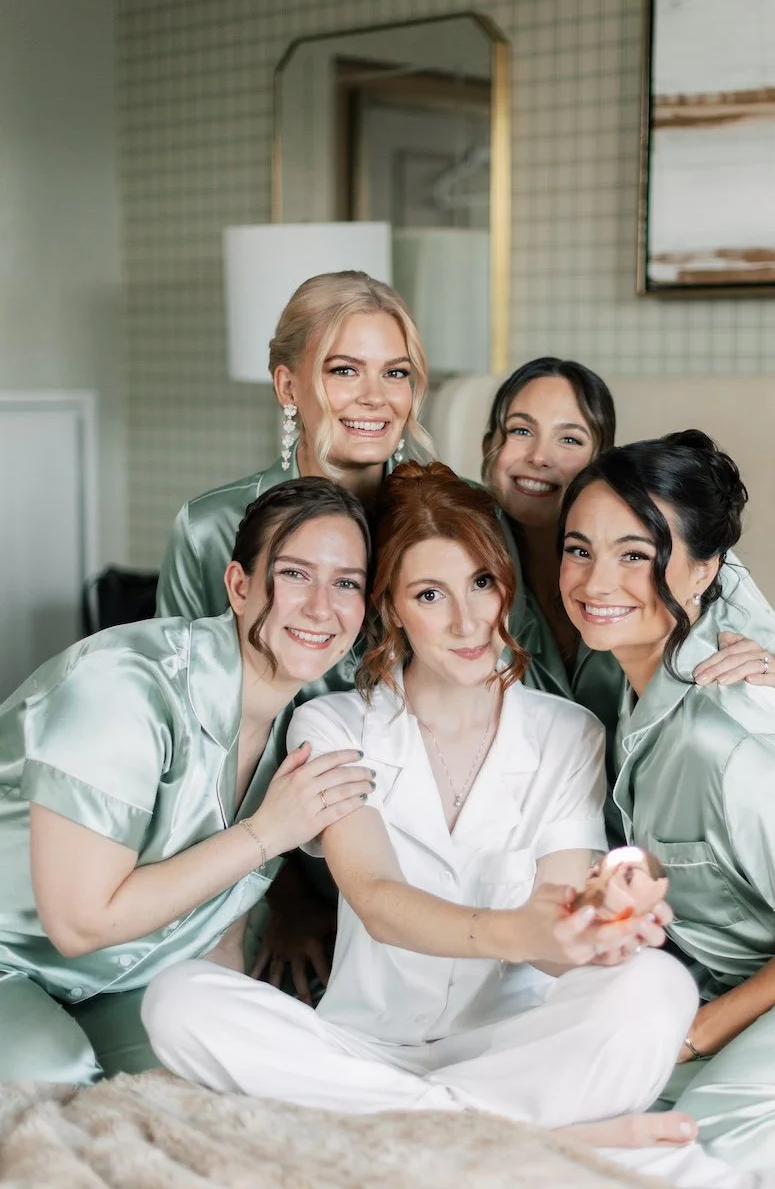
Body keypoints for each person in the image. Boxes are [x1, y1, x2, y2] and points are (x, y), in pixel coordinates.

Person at [142, 463, 702, 1148]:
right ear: (390, 607)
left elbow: (556, 927)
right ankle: (522, 1137)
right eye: (430, 594)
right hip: (363, 1047)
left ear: (508, 587)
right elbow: (376, 898)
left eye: (481, 584)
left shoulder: (567, 732)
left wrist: (598, 934)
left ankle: (412, 1128)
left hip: (513, 1050)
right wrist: (520, 931)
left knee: (659, 986)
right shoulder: (334, 726)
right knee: (179, 1001)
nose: (468, 621)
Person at [558, 430, 775, 1171]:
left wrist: (697, 1033)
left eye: (635, 555)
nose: (594, 581)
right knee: (607, 1107)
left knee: (696, 1147)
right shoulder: (610, 678)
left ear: (706, 570)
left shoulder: (727, 745)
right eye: (578, 549)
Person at [0, 479, 373, 1083]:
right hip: (13, 958)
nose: (322, 607)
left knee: (226, 1082)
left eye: (347, 582)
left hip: (118, 981)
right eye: (295, 574)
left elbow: (216, 920)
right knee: (55, 1084)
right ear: (239, 585)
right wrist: (264, 833)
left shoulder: (304, 730)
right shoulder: (124, 687)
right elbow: (79, 924)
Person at [481, 357, 775, 833]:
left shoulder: (684, 561)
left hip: (667, 823)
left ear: (600, 459)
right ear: (489, 448)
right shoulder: (462, 558)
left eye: (570, 438)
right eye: (521, 431)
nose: (540, 457)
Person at [155, 269, 434, 640]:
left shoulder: (464, 518)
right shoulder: (209, 528)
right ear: (288, 387)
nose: (375, 397)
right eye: (346, 370)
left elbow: (507, 675)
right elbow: (173, 682)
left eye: (396, 373)